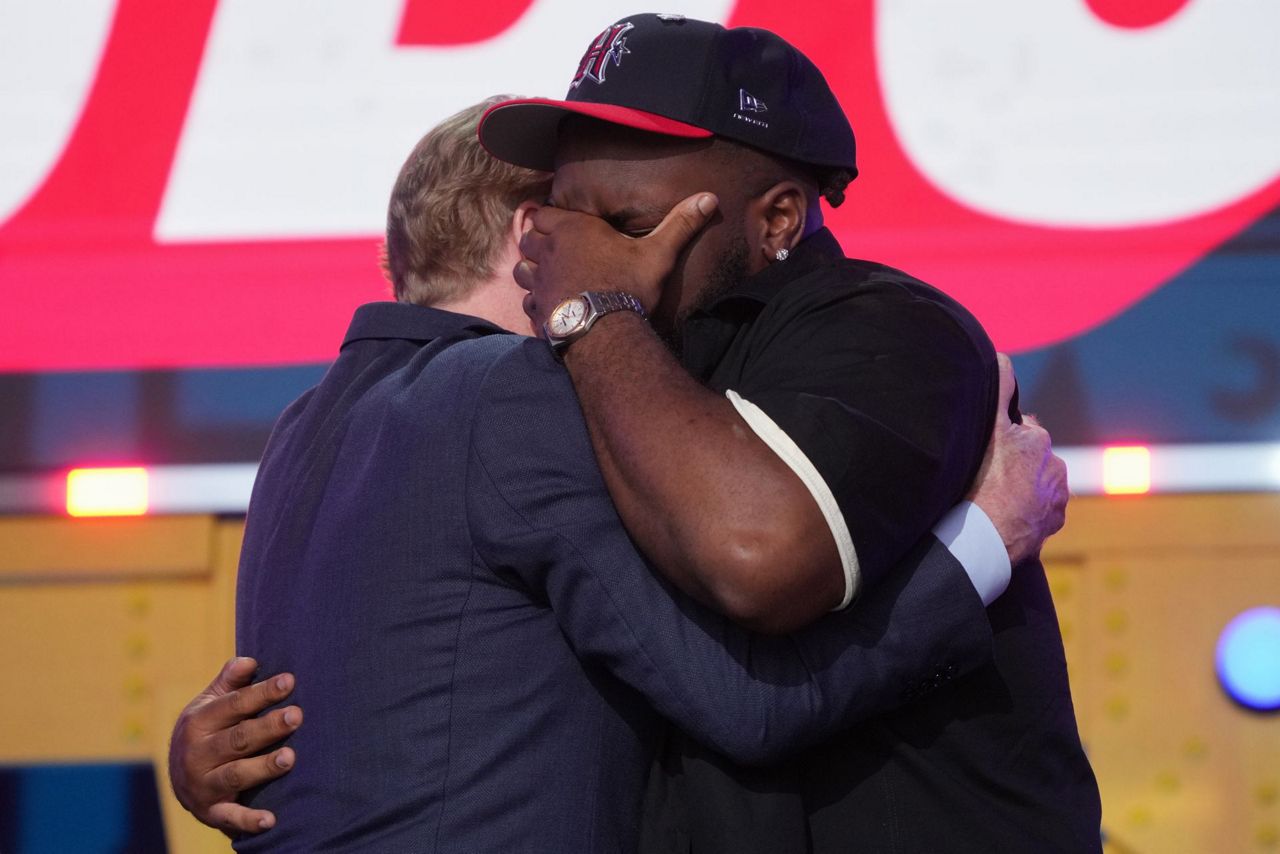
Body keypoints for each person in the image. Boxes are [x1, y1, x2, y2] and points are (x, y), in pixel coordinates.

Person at [167, 87, 1070, 851]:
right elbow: (749, 704)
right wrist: (986, 540)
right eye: (621, 222)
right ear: (539, 235)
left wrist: (194, 760)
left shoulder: (305, 427)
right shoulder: (513, 393)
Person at [479, 14, 1100, 852]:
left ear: (775, 222)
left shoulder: (891, 329)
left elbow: (757, 555)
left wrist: (595, 310)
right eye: (563, 219)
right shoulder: (593, 371)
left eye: (625, 226)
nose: (576, 256)